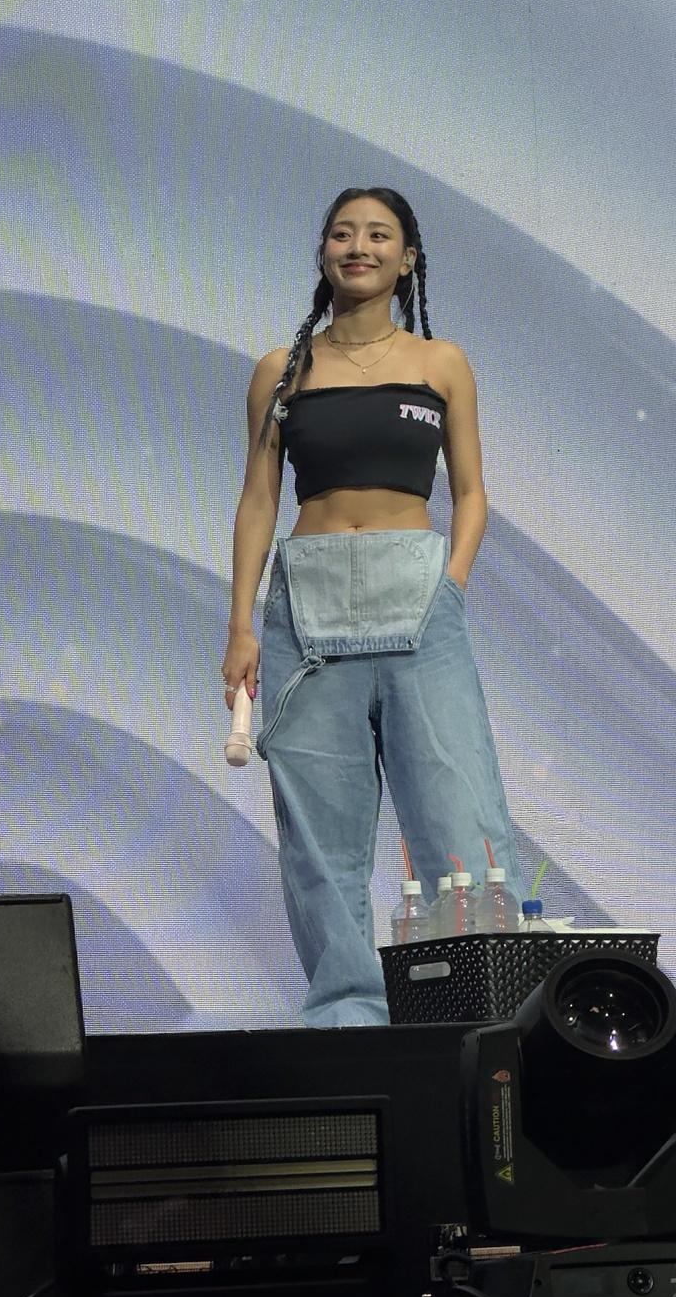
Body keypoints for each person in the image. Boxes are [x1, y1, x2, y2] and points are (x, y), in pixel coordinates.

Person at [222, 187, 525, 1025]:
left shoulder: (440, 363)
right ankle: (347, 1019)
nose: (359, 246)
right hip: (307, 609)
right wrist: (242, 625)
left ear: (407, 258)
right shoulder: (280, 371)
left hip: (420, 600)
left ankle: (478, 1013)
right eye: (343, 233)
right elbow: (257, 501)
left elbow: (472, 492)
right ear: (324, 252)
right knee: (320, 839)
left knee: (458, 815)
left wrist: (450, 581)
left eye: (379, 235)